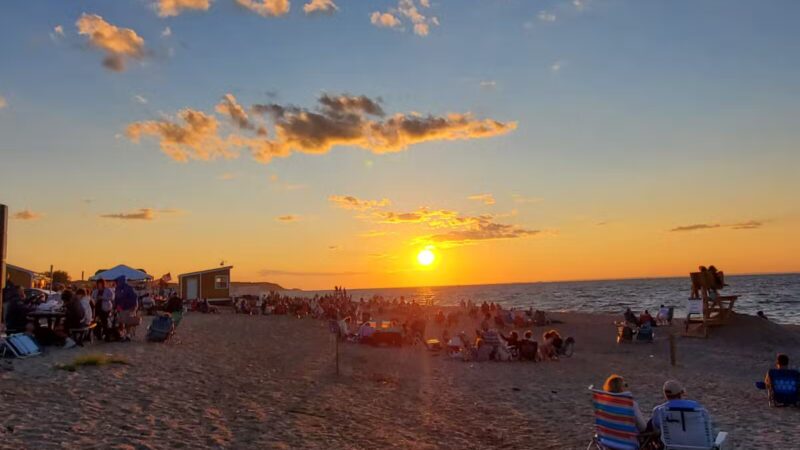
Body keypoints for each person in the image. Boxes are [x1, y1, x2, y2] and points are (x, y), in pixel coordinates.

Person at [114, 276, 140, 341]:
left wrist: (133, 307)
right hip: (124, 308)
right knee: (124, 322)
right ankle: (125, 335)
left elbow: (118, 298)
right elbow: (117, 299)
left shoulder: (125, 288)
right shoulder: (123, 288)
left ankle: (125, 335)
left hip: (127, 308)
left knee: (125, 322)